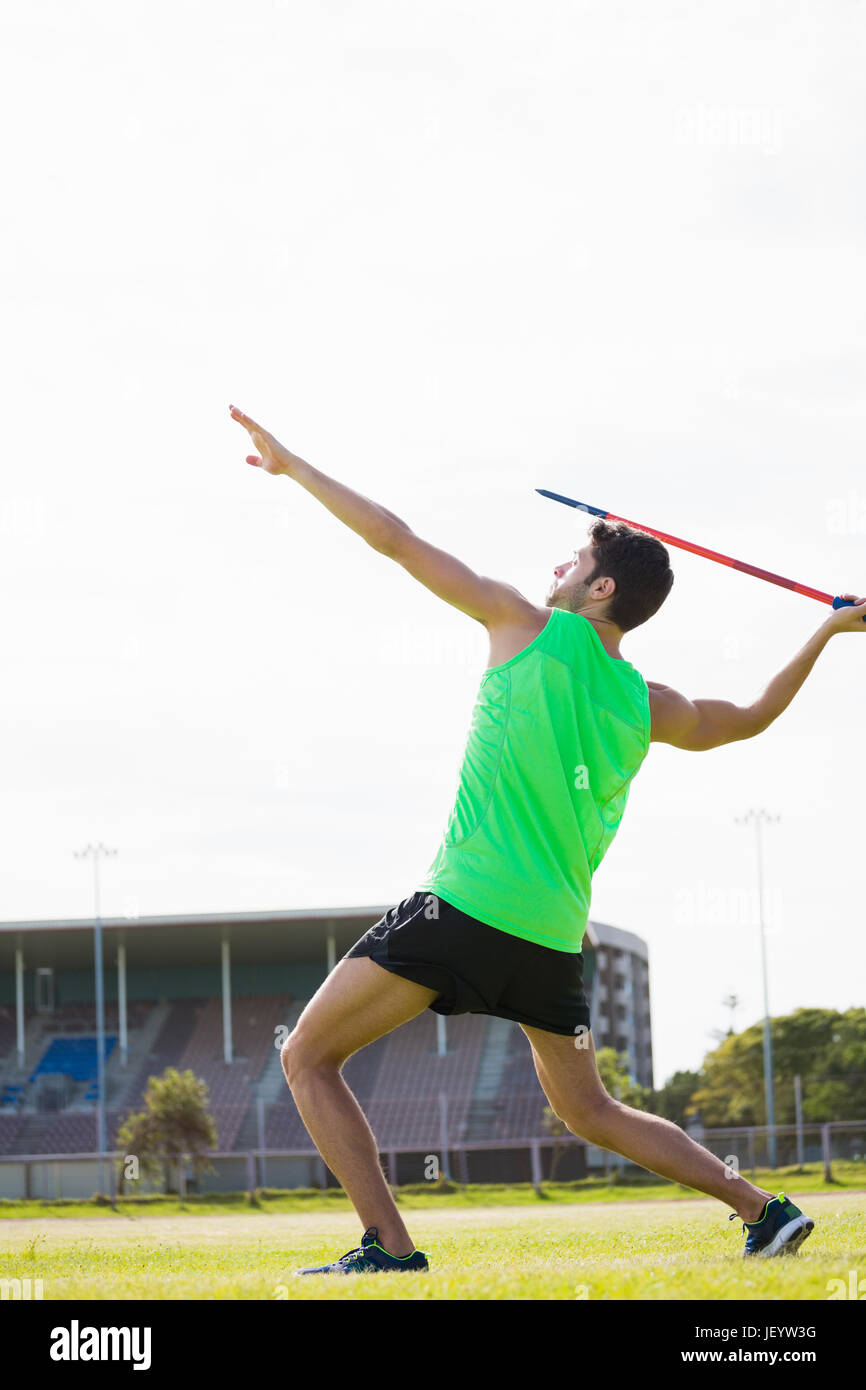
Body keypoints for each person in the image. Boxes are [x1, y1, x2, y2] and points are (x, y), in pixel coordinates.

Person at [230, 404, 864, 1274]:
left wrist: (297, 466)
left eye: (577, 558)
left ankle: (389, 1249)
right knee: (590, 1110)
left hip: (464, 905)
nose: (559, 565)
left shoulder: (518, 623)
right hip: (552, 937)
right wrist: (826, 631)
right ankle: (764, 1210)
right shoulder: (649, 703)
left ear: (600, 588)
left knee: (306, 1057)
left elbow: (393, 537)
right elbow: (749, 718)